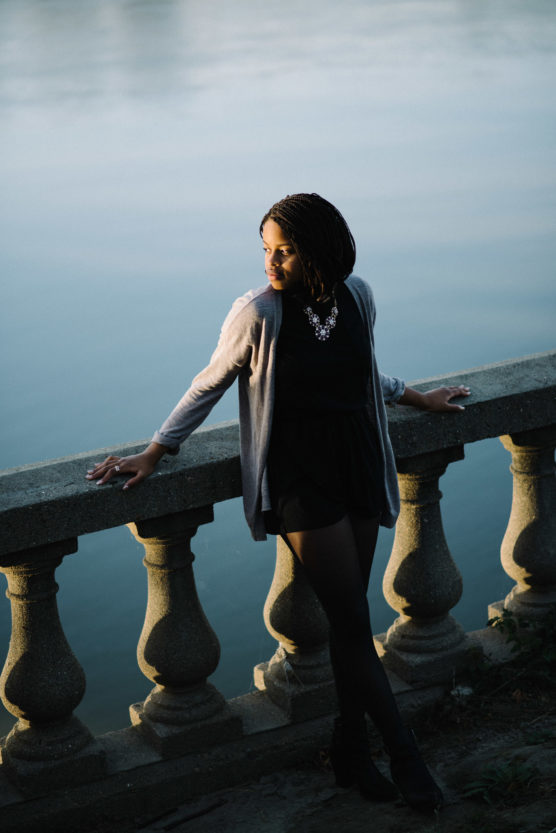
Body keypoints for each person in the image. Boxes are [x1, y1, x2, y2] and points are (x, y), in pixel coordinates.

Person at [86, 193, 469, 813]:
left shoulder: (357, 295)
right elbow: (209, 382)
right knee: (352, 623)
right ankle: (406, 758)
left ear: (318, 250)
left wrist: (417, 397)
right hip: (299, 478)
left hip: (358, 462)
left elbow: (360, 372)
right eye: (266, 249)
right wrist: (156, 451)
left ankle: (351, 751)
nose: (271, 261)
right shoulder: (259, 311)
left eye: (284, 250)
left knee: (348, 620)